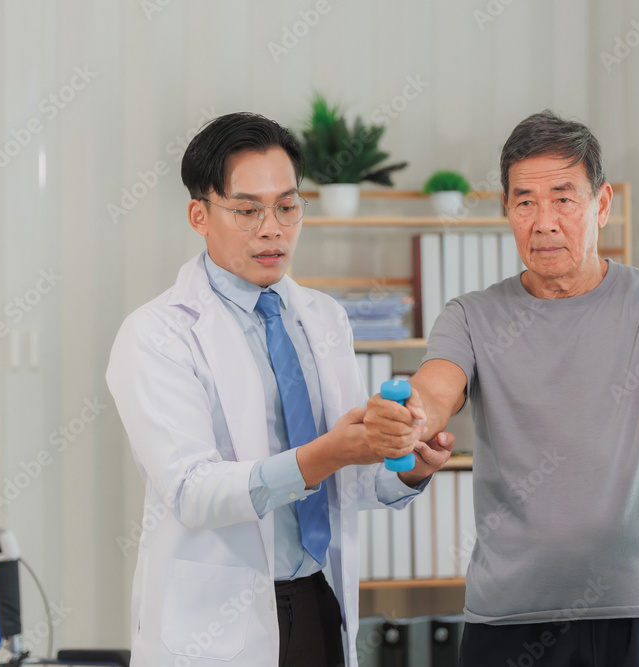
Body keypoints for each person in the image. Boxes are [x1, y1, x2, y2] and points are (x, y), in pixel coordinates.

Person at [364, 110, 639, 666]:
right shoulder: (470, 316)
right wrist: (411, 416)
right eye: (525, 202)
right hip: (510, 621)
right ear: (507, 212)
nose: (544, 221)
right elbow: (435, 388)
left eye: (564, 198)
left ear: (602, 205)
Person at [106, 112, 452, 667]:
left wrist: (407, 463)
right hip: (218, 620)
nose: (272, 228)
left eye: (288, 207)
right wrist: (327, 453)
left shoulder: (323, 317)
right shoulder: (157, 334)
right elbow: (193, 492)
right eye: (247, 210)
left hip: (319, 598)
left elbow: (348, 481)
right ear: (200, 214)